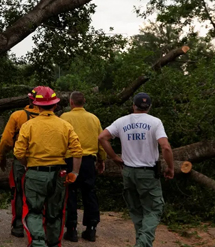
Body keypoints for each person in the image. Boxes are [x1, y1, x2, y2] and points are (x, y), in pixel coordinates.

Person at [98, 92, 174, 247]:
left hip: (128, 172)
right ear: (149, 107)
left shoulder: (122, 121)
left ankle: (141, 242)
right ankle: (143, 244)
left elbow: (102, 138)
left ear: (133, 105)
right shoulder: (155, 122)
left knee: (136, 210)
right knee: (154, 209)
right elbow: (165, 146)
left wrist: (113, 157)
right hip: (147, 173)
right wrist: (171, 167)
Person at [14, 86, 83, 247]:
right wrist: (75, 173)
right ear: (55, 105)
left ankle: (38, 243)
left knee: (34, 211)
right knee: (55, 214)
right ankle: (53, 243)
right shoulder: (64, 125)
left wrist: (28, 165)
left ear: (36, 105)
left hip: (35, 174)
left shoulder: (29, 126)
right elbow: (77, 151)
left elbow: (18, 153)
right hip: (58, 175)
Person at [60, 91, 106, 242]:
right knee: (89, 193)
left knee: (70, 193)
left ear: (71, 103)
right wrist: (101, 160)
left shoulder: (64, 118)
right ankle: (91, 229)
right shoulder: (94, 119)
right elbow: (101, 141)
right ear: (84, 102)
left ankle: (71, 229)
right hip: (88, 161)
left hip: (69, 160)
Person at [0, 88, 41, 238]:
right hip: (44, 162)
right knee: (41, 195)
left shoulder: (18, 116)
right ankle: (39, 227)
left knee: (19, 192)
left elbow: (6, 141)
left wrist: (1, 157)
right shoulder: (52, 119)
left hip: (21, 162)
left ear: (29, 100)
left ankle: (18, 227)